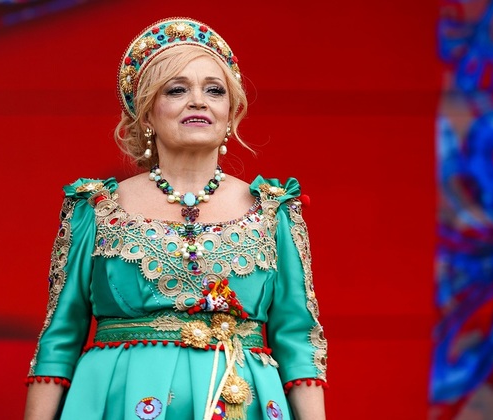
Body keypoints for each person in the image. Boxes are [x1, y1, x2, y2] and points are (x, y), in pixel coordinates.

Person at [24, 17, 328, 420]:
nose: (198, 101)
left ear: (230, 113)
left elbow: (300, 341)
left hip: (242, 402)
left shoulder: (274, 210)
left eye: (214, 90)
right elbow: (59, 338)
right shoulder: (95, 207)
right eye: (177, 89)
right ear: (146, 115)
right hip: (118, 401)